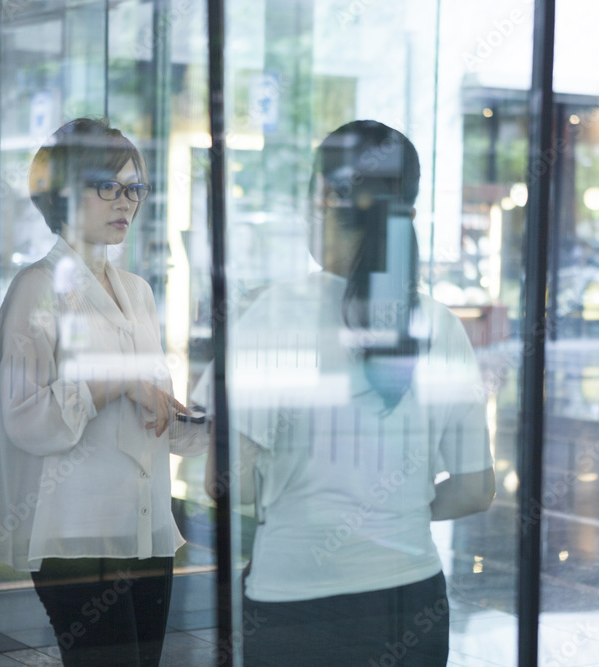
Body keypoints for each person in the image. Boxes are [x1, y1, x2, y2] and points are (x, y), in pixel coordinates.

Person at [206, 120, 496, 665]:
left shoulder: (270, 313)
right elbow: (476, 490)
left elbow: (230, 485)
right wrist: (390, 512)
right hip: (413, 596)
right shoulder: (440, 324)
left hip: (296, 599)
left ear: (325, 196)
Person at [0, 117, 208, 666]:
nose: (125, 202)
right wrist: (118, 381)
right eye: (108, 186)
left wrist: (205, 420)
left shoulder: (138, 291)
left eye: (135, 189)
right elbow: (24, 420)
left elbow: (154, 417)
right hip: (75, 533)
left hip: (145, 529)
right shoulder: (38, 286)